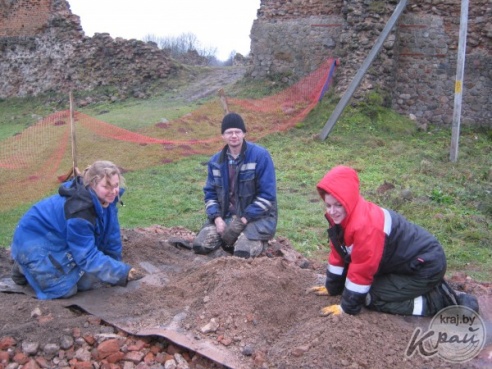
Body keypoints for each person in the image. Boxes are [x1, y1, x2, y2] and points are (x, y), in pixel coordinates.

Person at [309, 165, 479, 317]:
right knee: (353, 286)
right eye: (328, 205)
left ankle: (438, 301)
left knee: (368, 297)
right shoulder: (344, 218)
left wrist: (347, 308)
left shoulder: (364, 226)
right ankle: (418, 288)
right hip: (406, 261)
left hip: (425, 266)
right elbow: (339, 254)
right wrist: (332, 288)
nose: (332, 211)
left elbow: (362, 269)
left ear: (349, 201)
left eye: (338, 205)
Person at [10, 160, 142, 299]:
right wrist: (121, 273)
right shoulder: (79, 212)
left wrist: (117, 264)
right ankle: (22, 266)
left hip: (58, 236)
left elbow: (111, 235)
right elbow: (86, 257)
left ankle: (38, 267)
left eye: (115, 185)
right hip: (34, 239)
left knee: (87, 282)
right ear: (92, 184)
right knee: (65, 290)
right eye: (106, 186)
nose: (113, 191)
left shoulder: (107, 200)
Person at [192, 112, 277, 258]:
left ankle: (260, 243)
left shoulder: (260, 156)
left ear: (244, 133)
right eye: (229, 132)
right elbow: (210, 194)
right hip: (226, 216)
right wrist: (217, 218)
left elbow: (268, 196)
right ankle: (223, 254)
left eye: (237, 131)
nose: (233, 135)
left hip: (257, 219)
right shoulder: (215, 161)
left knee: (242, 253)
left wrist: (243, 220)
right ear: (223, 136)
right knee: (200, 246)